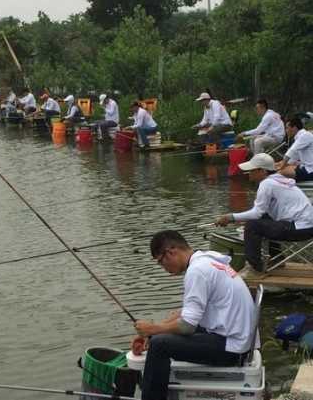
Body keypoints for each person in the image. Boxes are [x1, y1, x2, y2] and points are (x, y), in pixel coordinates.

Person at [134, 230, 257, 400]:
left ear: (171, 252)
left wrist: (154, 330)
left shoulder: (197, 271)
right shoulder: (208, 261)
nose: (164, 269)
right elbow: (188, 312)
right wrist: (154, 330)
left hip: (232, 348)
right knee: (159, 336)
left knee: (159, 345)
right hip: (239, 340)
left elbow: (187, 325)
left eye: (161, 263)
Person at [216, 153, 313, 275]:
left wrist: (230, 217)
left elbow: (256, 213)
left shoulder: (267, 184)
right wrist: (236, 218)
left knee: (252, 226)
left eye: (251, 170)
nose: (248, 173)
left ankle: (256, 267)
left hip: (299, 229)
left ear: (262, 171)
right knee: (264, 218)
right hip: (307, 227)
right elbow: (261, 213)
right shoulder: (279, 180)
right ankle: (277, 258)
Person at [276, 116, 313, 182]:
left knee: (281, 172)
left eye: (287, 128)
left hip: (310, 170)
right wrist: (278, 164)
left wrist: (281, 166)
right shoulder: (300, 137)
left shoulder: (305, 135)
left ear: (294, 128)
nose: (286, 131)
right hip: (306, 167)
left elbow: (292, 151)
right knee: (280, 169)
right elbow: (293, 158)